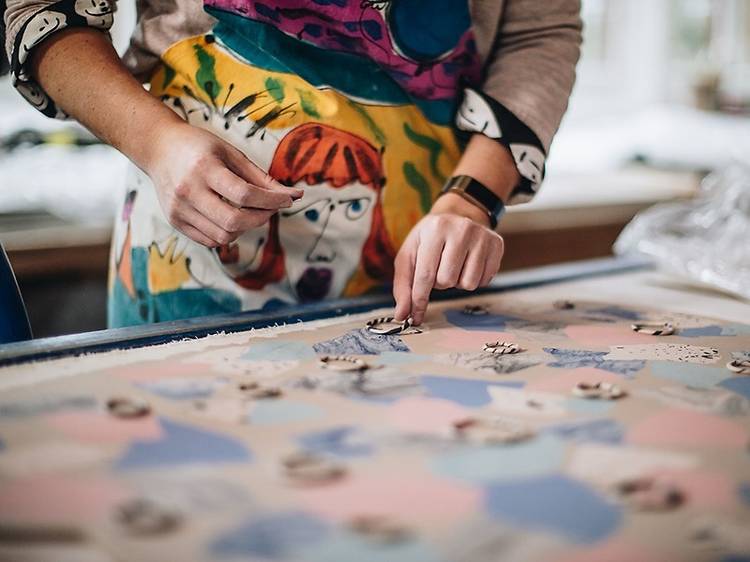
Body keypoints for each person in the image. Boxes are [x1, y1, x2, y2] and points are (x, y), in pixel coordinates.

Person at [3, 0, 582, 327]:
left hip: (414, 242)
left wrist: (471, 197)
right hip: (191, 236)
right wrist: (157, 142)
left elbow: (540, 31)